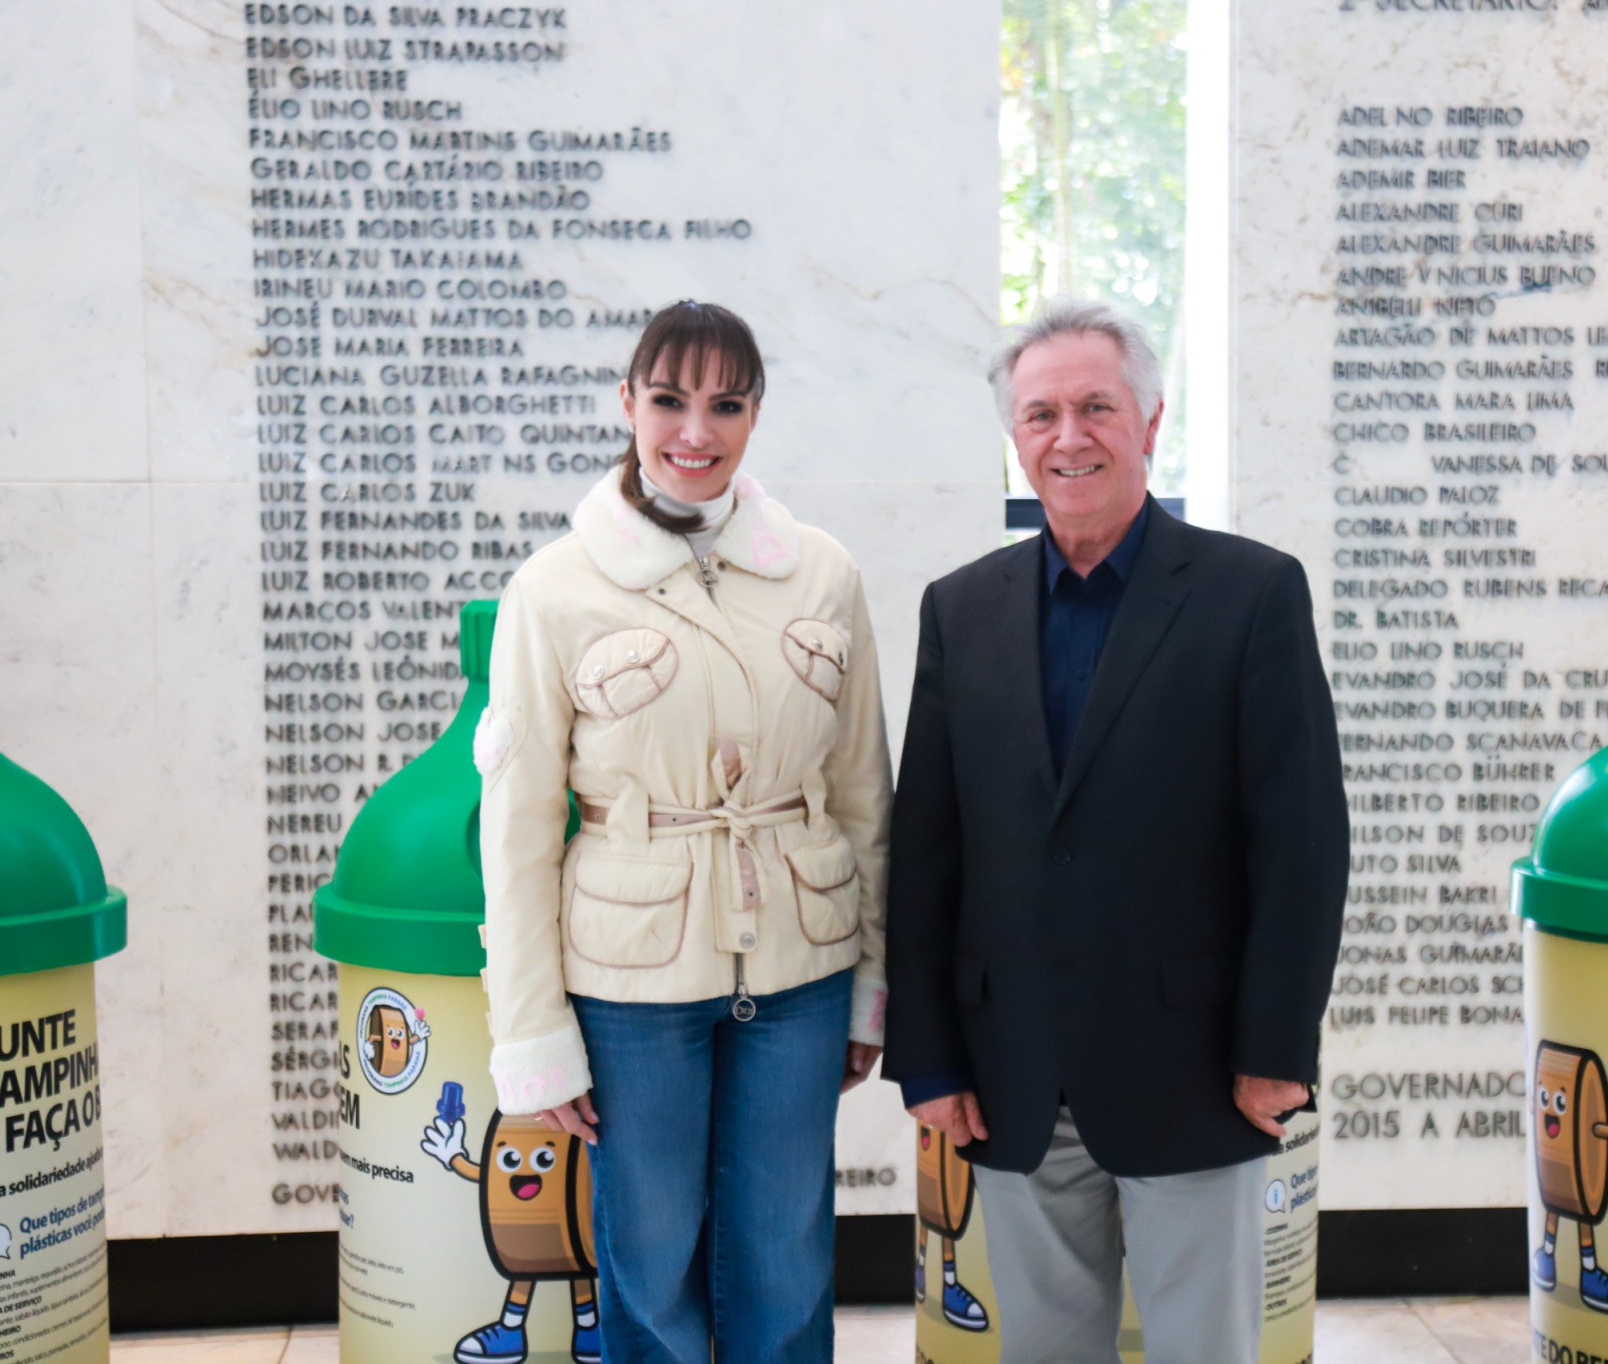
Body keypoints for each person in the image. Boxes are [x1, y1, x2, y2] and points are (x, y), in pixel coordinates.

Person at [884, 298, 1348, 1364]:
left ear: (1149, 421)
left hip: (1197, 1063)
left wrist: (1277, 1048)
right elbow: (927, 849)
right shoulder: (959, 608)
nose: (1068, 434)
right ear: (1016, 438)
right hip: (1012, 1064)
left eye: (1096, 405)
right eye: (1041, 413)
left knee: (1203, 1346)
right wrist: (928, 1055)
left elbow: (1303, 842)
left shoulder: (1251, 593)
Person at [476, 300, 892, 1364]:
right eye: (668, 399)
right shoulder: (554, 585)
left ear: (757, 415)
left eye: (726, 403)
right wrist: (532, 1029)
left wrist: (871, 978)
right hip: (628, 977)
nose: (694, 430)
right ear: (627, 402)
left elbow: (861, 796)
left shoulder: (821, 571)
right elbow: (517, 827)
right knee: (650, 1259)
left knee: (786, 1253)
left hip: (799, 961)